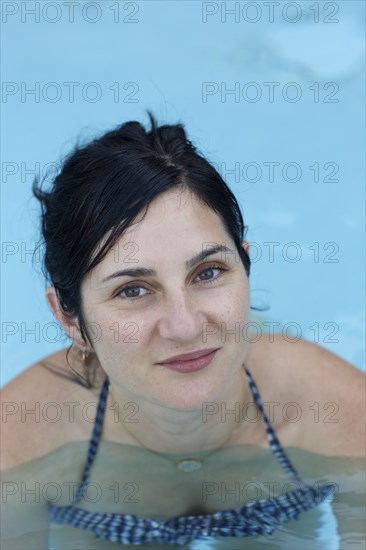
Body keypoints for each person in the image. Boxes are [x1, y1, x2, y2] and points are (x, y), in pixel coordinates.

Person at [1, 112, 365, 549]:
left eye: (208, 272)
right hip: (96, 520)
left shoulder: (341, 418)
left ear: (245, 267)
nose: (185, 325)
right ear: (69, 317)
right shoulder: (19, 447)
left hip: (278, 509)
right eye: (133, 290)